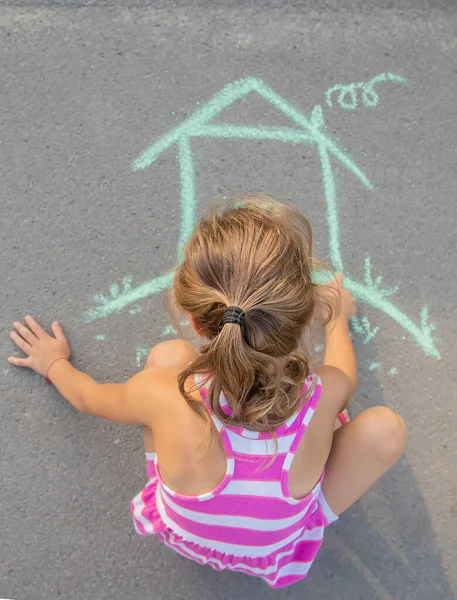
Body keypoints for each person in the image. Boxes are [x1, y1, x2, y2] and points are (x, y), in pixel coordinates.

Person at [8, 196, 406, 588]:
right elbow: (344, 377)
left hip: (189, 535)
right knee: (384, 428)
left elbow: (86, 397)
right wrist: (336, 319)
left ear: (198, 322)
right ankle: (304, 515)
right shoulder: (323, 390)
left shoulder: (163, 392)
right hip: (274, 549)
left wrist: (53, 362)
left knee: (169, 356)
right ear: (300, 321)